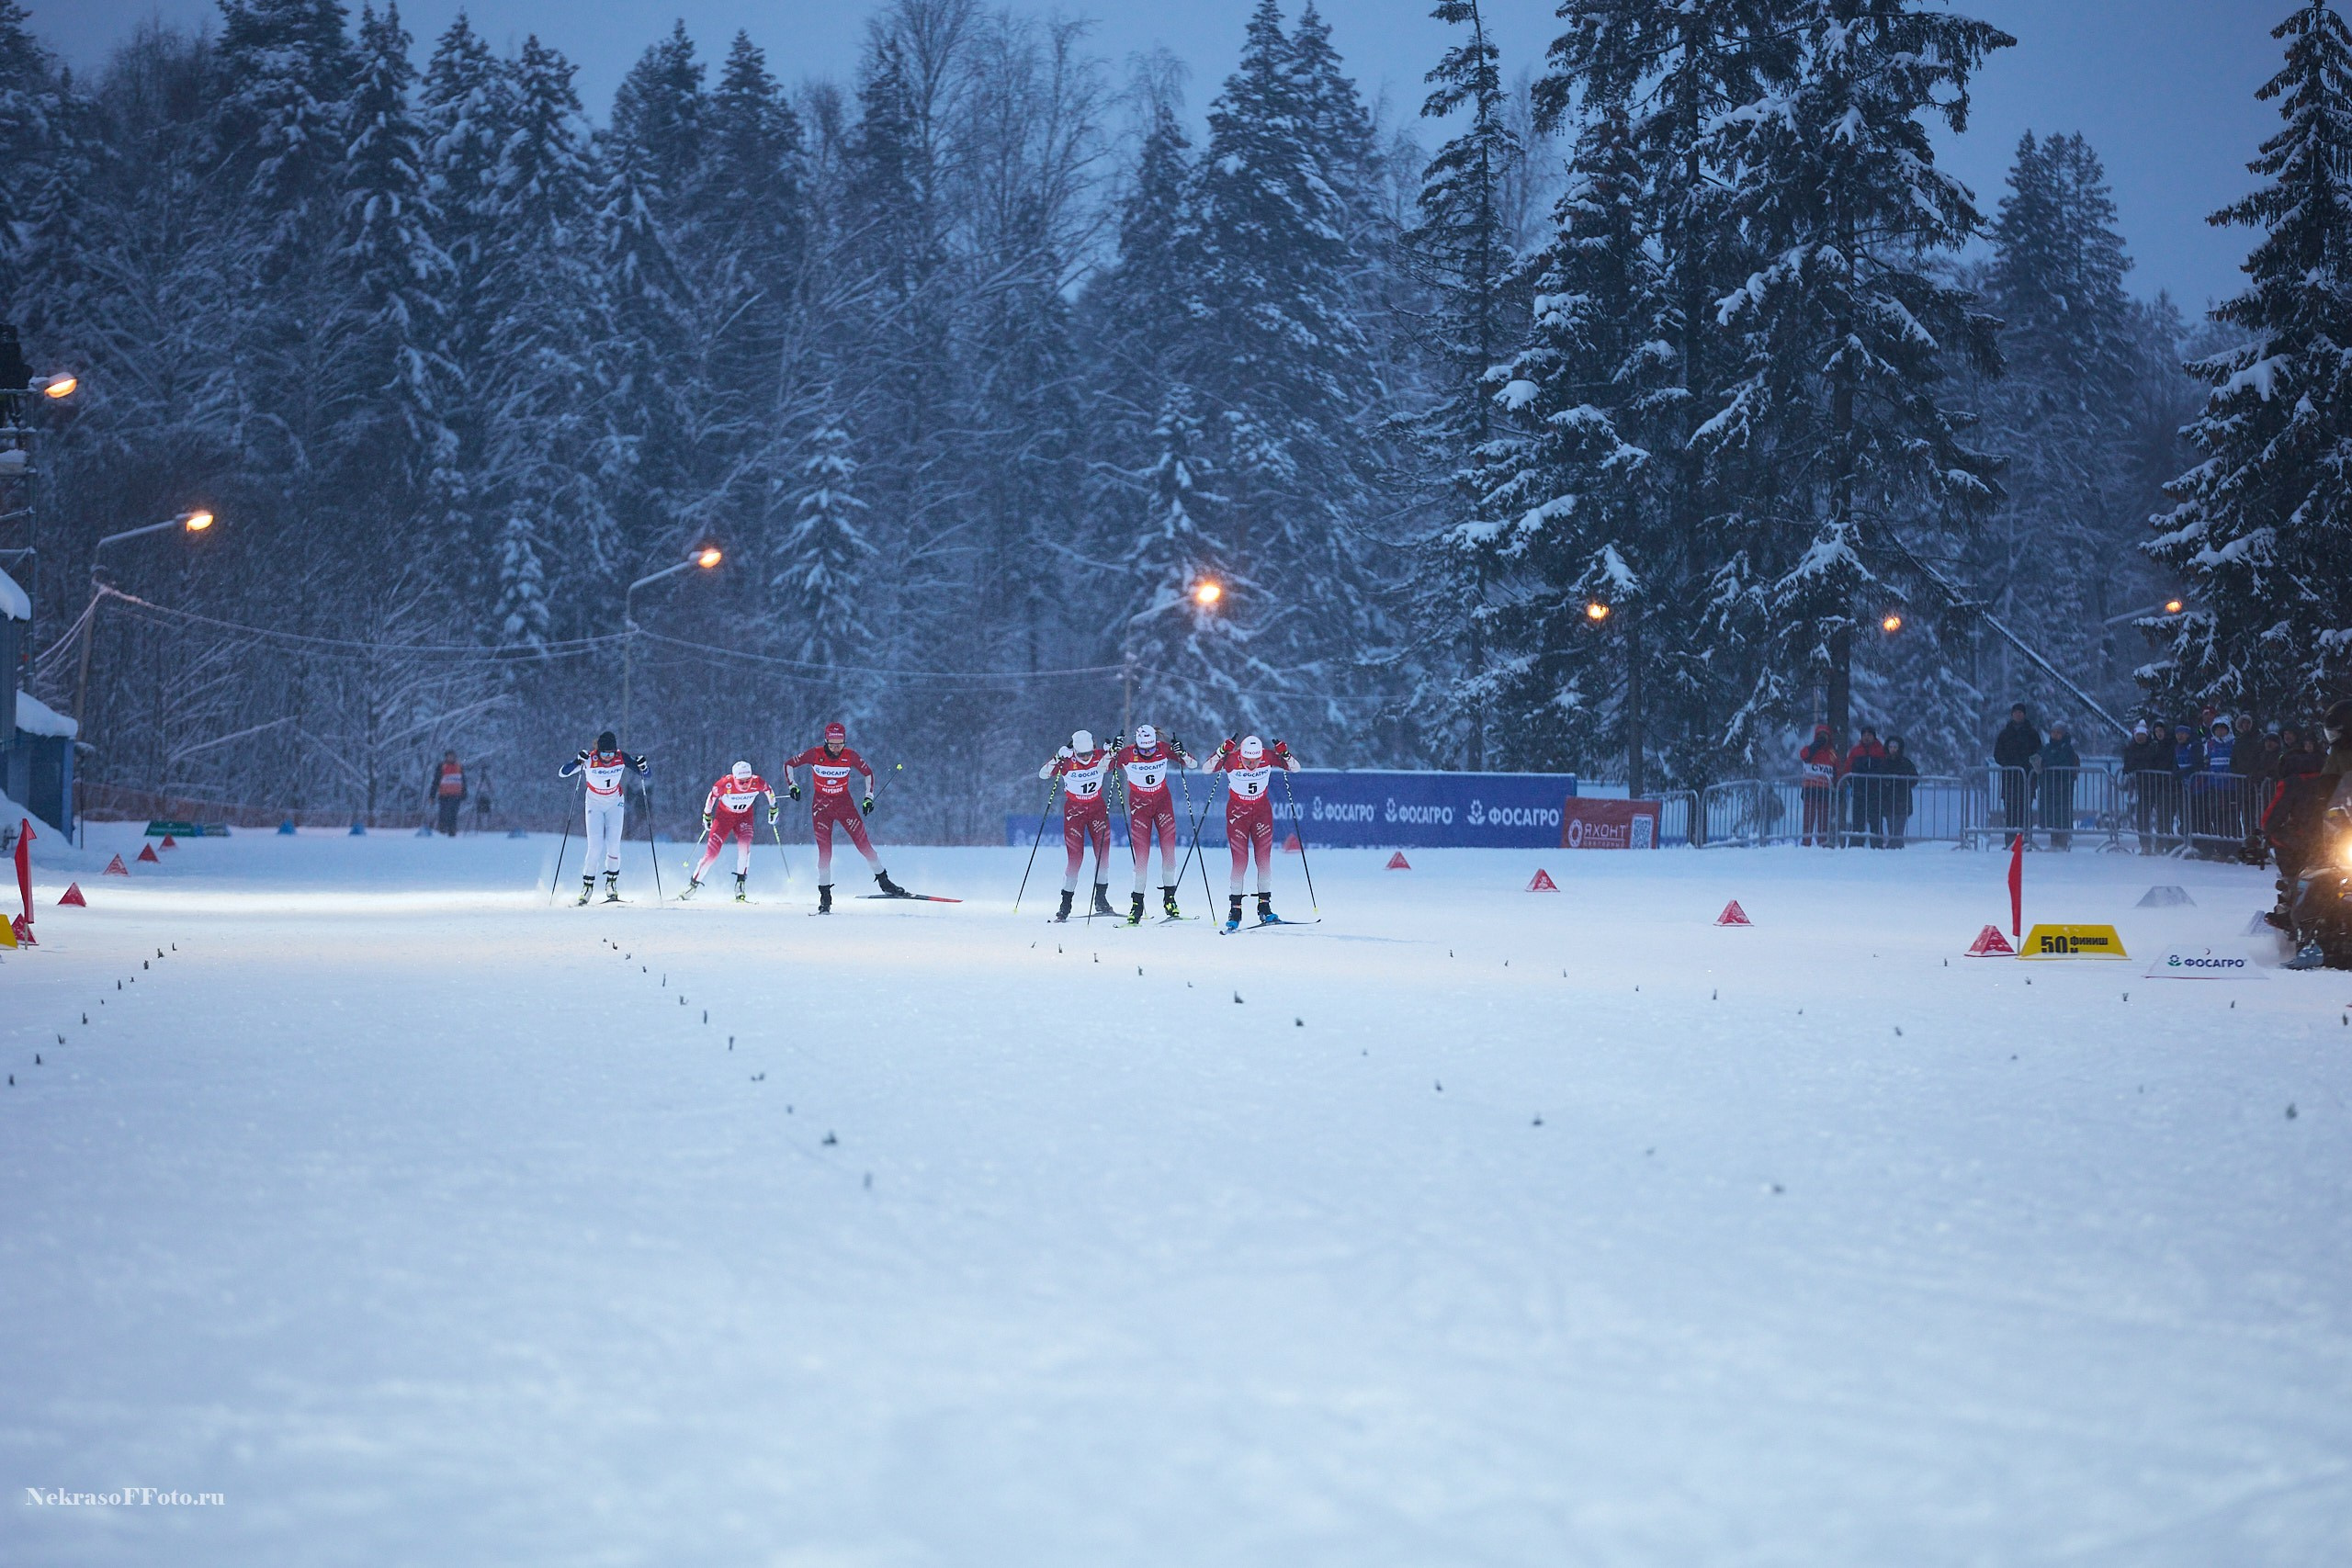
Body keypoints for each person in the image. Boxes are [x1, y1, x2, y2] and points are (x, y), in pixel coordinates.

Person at [783, 721, 907, 913]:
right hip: (821, 809)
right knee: (825, 853)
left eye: (840, 743)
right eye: (832, 743)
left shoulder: (850, 756)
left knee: (864, 844)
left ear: (844, 741)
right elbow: (789, 764)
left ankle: (884, 882)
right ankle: (825, 896)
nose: (836, 748)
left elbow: (868, 773)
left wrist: (868, 798)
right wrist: (792, 785)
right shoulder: (815, 754)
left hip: (844, 806)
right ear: (826, 740)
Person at [1203, 735, 1301, 930]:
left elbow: (1295, 768)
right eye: (1247, 760)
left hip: (1262, 812)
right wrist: (1221, 751)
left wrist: (1285, 754)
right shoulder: (1231, 759)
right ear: (1241, 754)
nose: (1252, 764)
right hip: (1237, 815)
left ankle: (1265, 907)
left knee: (1264, 860)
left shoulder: (1268, 757)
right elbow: (1206, 769)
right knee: (1240, 861)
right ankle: (1235, 909)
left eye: (1256, 760)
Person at [1112, 723, 1196, 922]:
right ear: (1137, 745)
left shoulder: (1163, 749)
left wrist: (1181, 753)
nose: (1148, 753)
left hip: (1162, 805)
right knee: (1141, 859)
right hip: (1140, 808)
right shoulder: (1126, 754)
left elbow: (1192, 764)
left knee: (1169, 854)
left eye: (1151, 749)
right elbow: (1101, 768)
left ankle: (1170, 899)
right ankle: (1137, 904)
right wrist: (1111, 752)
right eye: (1143, 750)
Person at [559, 730, 648, 904]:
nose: (607, 758)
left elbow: (645, 774)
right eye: (604, 753)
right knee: (595, 846)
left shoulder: (621, 757)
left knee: (614, 845)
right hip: (594, 803)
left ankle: (611, 886)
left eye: (611, 753)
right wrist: (577, 761)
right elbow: (563, 773)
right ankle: (587, 889)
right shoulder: (590, 759)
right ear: (598, 751)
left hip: (615, 802)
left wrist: (644, 766)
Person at [1039, 728, 1117, 922]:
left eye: (1088, 753)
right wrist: (1057, 757)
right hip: (1075, 812)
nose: (1085, 758)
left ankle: (1101, 900)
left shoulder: (1100, 756)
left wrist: (1113, 751)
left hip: (1097, 809)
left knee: (1103, 856)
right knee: (1075, 859)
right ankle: (1065, 905)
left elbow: (1122, 762)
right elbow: (1043, 774)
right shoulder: (1066, 761)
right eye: (1081, 754)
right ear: (1074, 751)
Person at [683, 761, 776, 902]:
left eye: (747, 781)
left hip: (744, 817)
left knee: (745, 848)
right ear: (734, 778)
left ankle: (740, 885)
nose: (745, 784)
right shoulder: (724, 784)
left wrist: (774, 808)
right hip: (723, 818)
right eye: (741, 781)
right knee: (712, 854)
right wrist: (707, 815)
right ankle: (692, 885)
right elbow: (712, 797)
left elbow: (769, 791)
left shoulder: (757, 782)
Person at [1993, 704, 2041, 841]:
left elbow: (2038, 753)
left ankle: (2025, 840)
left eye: (2020, 712)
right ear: (2012, 714)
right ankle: (2010, 841)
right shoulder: (2004, 734)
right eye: (2016, 712)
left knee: (2025, 811)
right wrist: (2009, 763)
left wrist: (2028, 766)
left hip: (2027, 779)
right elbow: (1997, 754)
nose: (2018, 715)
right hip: (2010, 780)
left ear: (2024, 715)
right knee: (2010, 812)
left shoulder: (2032, 734)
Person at [2121, 720, 2169, 849]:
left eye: (2143, 735)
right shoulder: (2130, 748)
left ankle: (2160, 844)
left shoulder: (2153, 746)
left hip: (2159, 786)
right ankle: (2145, 845)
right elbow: (2128, 766)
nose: (2141, 738)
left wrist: (2138, 764)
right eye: (2138, 735)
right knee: (2142, 817)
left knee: (2162, 817)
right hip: (2143, 788)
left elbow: (2152, 762)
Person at [1798, 722, 1841, 847]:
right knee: (1808, 819)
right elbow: (1803, 755)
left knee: (1823, 820)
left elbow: (1836, 770)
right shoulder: (1811, 750)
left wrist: (1837, 787)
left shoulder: (1832, 753)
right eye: (1820, 735)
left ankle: (1822, 843)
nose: (1823, 738)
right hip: (1810, 789)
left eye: (1825, 735)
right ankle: (1806, 843)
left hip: (1825, 790)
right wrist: (1815, 746)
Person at [2040, 720, 2080, 851]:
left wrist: (2050, 765)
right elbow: (2042, 761)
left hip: (2064, 787)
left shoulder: (2067, 749)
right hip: (2050, 786)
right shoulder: (2047, 748)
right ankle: (2054, 842)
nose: (2056, 735)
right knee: (2052, 815)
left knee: (2062, 814)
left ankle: (2063, 842)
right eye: (2053, 732)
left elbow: (2063, 762)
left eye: (2058, 733)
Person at [1844, 725, 1887, 846]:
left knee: (1876, 821)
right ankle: (1856, 845)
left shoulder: (1881, 751)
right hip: (1859, 792)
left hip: (1876, 793)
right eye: (1864, 735)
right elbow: (1848, 769)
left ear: (1874, 737)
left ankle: (1877, 845)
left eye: (1869, 735)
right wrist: (1853, 783)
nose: (1867, 738)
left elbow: (1885, 769)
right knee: (1857, 821)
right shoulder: (1855, 751)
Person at [1880, 734, 1919, 848]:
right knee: (1891, 824)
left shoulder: (1906, 763)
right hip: (1888, 799)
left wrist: (1903, 782)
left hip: (1902, 799)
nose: (1893, 749)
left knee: (1900, 825)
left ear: (1899, 748)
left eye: (1895, 747)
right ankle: (1894, 844)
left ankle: (1897, 844)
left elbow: (1914, 778)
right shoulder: (1884, 763)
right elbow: (1879, 778)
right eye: (1891, 747)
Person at [426, 750, 466, 837]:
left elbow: (463, 780)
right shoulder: (442, 767)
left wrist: (464, 792)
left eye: (452, 756)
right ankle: (443, 829)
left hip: (456, 795)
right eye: (449, 756)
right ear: (446, 757)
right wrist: (432, 796)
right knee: (444, 813)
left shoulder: (459, 767)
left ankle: (452, 831)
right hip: (444, 795)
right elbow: (436, 782)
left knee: (453, 814)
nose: (451, 758)